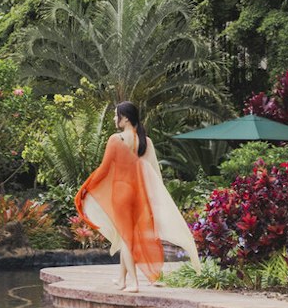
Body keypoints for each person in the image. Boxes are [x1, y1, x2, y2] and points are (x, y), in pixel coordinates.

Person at [73, 101, 198, 292]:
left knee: (126, 239)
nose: (115, 119)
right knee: (127, 235)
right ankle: (122, 280)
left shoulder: (116, 139)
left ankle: (134, 283)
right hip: (138, 195)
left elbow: (104, 170)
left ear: (125, 118)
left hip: (121, 194)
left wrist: (85, 187)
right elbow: (153, 173)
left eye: (116, 115)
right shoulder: (146, 141)